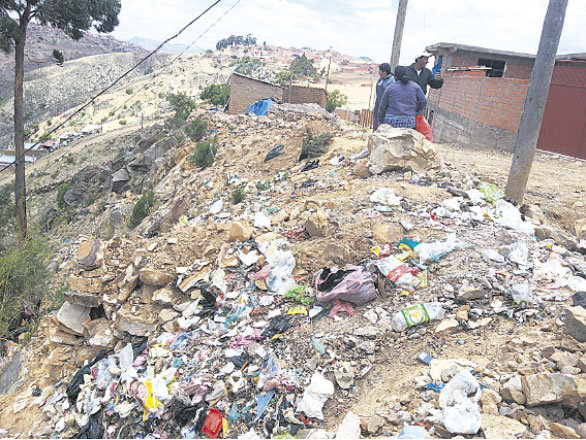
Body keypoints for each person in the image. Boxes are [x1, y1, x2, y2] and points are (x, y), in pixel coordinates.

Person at [372, 63, 394, 130]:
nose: (378, 72)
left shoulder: (392, 81)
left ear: (385, 72)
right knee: (376, 122)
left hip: (386, 108)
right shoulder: (380, 80)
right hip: (378, 104)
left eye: (380, 71)